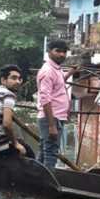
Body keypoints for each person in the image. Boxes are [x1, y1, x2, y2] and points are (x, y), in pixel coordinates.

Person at [36, 40, 78, 168]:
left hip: (56, 117)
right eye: (58, 51)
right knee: (50, 153)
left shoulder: (56, 69)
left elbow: (58, 83)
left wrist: (70, 73)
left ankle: (35, 178)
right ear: (49, 52)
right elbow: (45, 99)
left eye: (64, 52)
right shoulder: (48, 71)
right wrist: (51, 125)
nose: (61, 54)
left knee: (45, 152)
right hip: (51, 118)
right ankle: (47, 184)